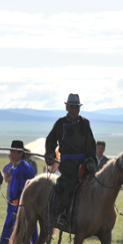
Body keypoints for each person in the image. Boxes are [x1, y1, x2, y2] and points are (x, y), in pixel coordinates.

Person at [45, 94, 97, 227]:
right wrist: (50, 154)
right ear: (67, 108)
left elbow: (91, 145)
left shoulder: (85, 124)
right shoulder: (60, 124)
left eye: (76, 108)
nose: (74, 110)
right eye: (72, 107)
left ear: (79, 109)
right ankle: (61, 214)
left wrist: (90, 161)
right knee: (69, 183)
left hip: (84, 163)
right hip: (67, 164)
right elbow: (51, 140)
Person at [0, 140, 37, 244]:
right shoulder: (16, 167)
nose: (11, 154)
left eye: (14, 152)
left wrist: (20, 206)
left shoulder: (26, 169)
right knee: (14, 233)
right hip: (14, 207)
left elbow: (28, 190)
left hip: (22, 207)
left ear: (20, 154)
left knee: (23, 233)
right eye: (11, 152)